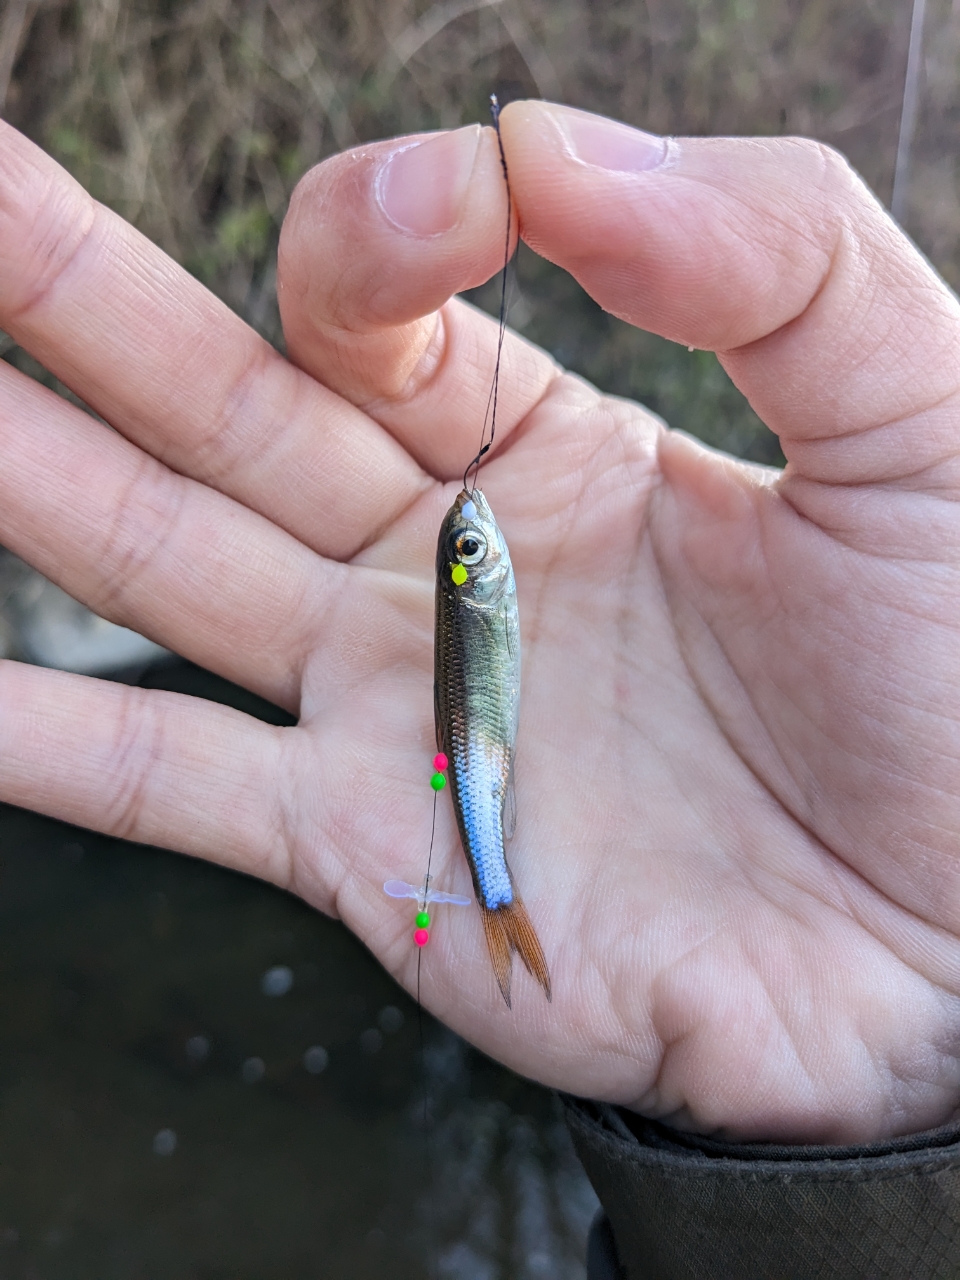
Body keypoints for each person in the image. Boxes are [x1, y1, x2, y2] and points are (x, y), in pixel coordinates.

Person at [1, 99, 959, 1276]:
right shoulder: (485, 586)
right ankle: (498, 899)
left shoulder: (488, 586)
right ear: (481, 576)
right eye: (471, 550)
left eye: (472, 546)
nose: (478, 543)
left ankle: (500, 901)